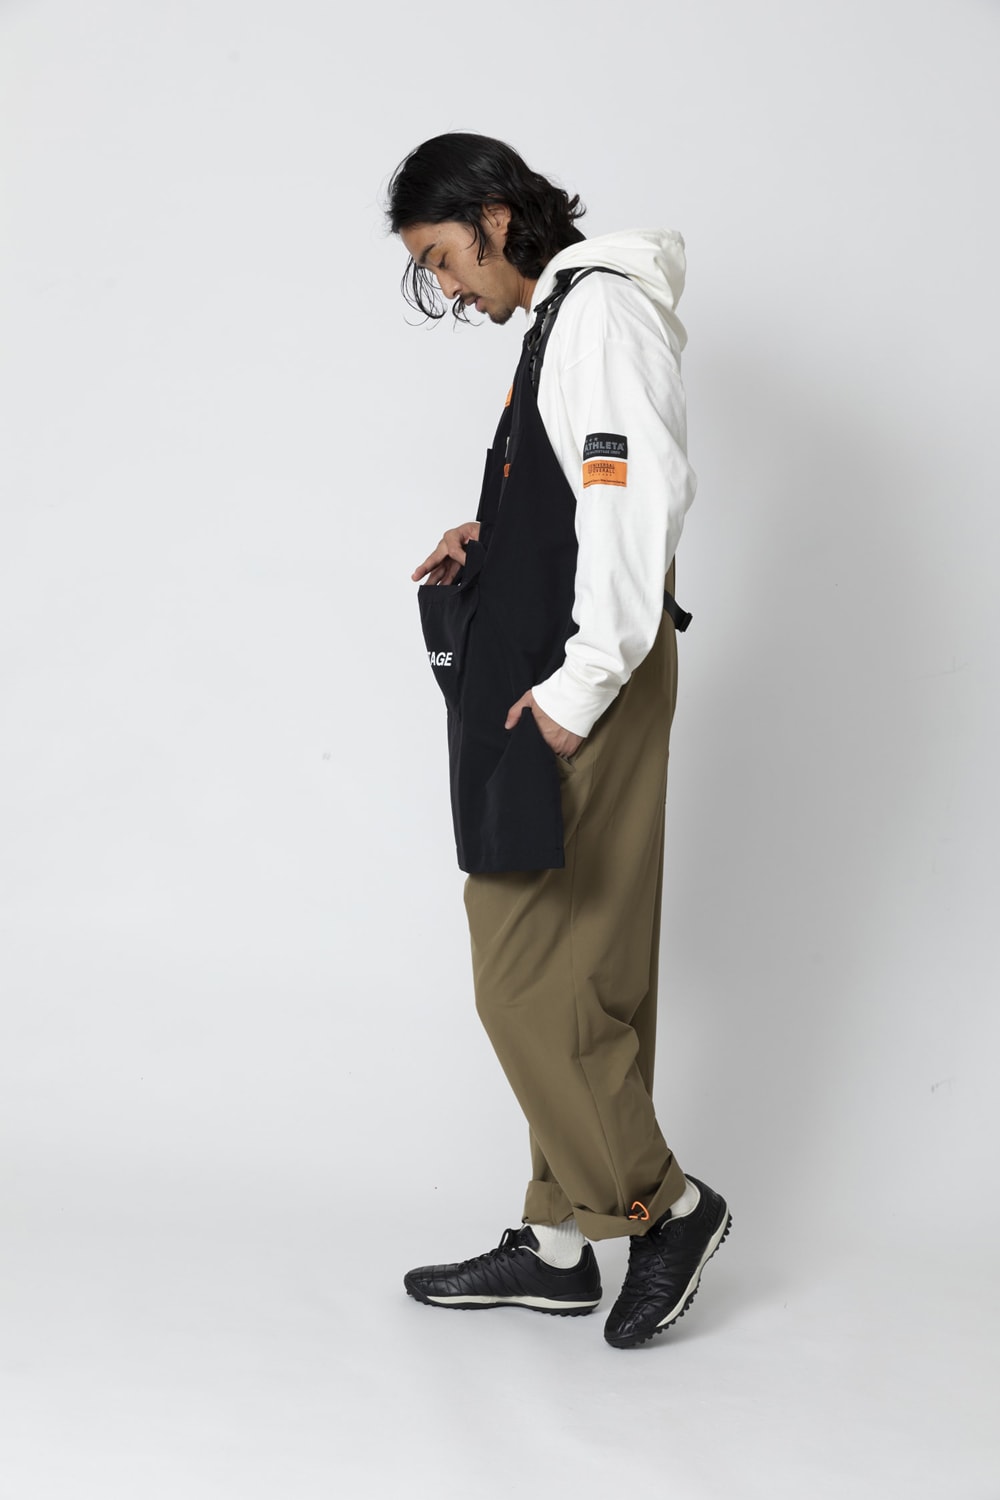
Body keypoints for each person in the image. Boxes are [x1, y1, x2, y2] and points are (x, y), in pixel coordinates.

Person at [387, 133, 730, 1350]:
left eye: (442, 258)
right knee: (584, 968)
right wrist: (496, 534)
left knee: (524, 970)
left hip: (584, 682)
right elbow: (582, 501)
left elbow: (639, 507)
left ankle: (665, 1209)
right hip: (563, 669)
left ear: (494, 217)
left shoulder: (599, 317)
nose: (445, 288)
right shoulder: (560, 322)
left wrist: (578, 692)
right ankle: (556, 1241)